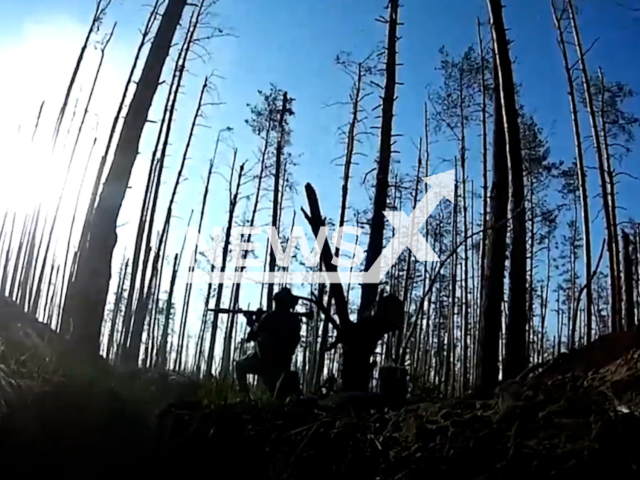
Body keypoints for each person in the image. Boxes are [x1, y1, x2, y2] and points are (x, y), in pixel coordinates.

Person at [235, 288, 302, 397]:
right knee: (276, 393)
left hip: (266, 363)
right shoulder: (294, 320)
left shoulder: (270, 318)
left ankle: (244, 397)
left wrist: (253, 321)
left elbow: (251, 336)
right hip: (283, 364)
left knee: (240, 365)